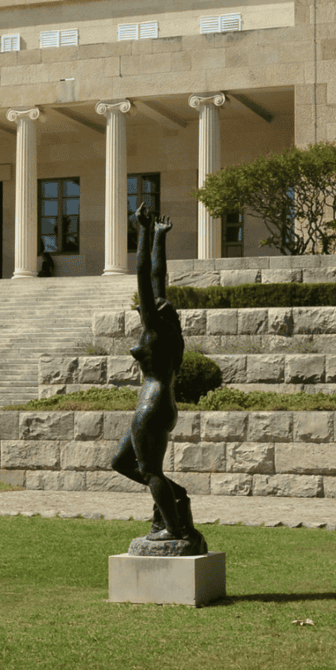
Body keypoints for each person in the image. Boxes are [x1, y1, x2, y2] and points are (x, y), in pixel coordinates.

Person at [110, 204, 205, 550]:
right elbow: (157, 277)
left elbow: (143, 276)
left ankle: (174, 528)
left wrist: (143, 231)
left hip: (150, 408)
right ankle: (175, 497)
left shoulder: (154, 329)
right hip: (162, 404)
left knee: (149, 472)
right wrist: (161, 237)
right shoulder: (168, 333)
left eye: (147, 306)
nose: (143, 305)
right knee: (120, 462)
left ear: (154, 313)